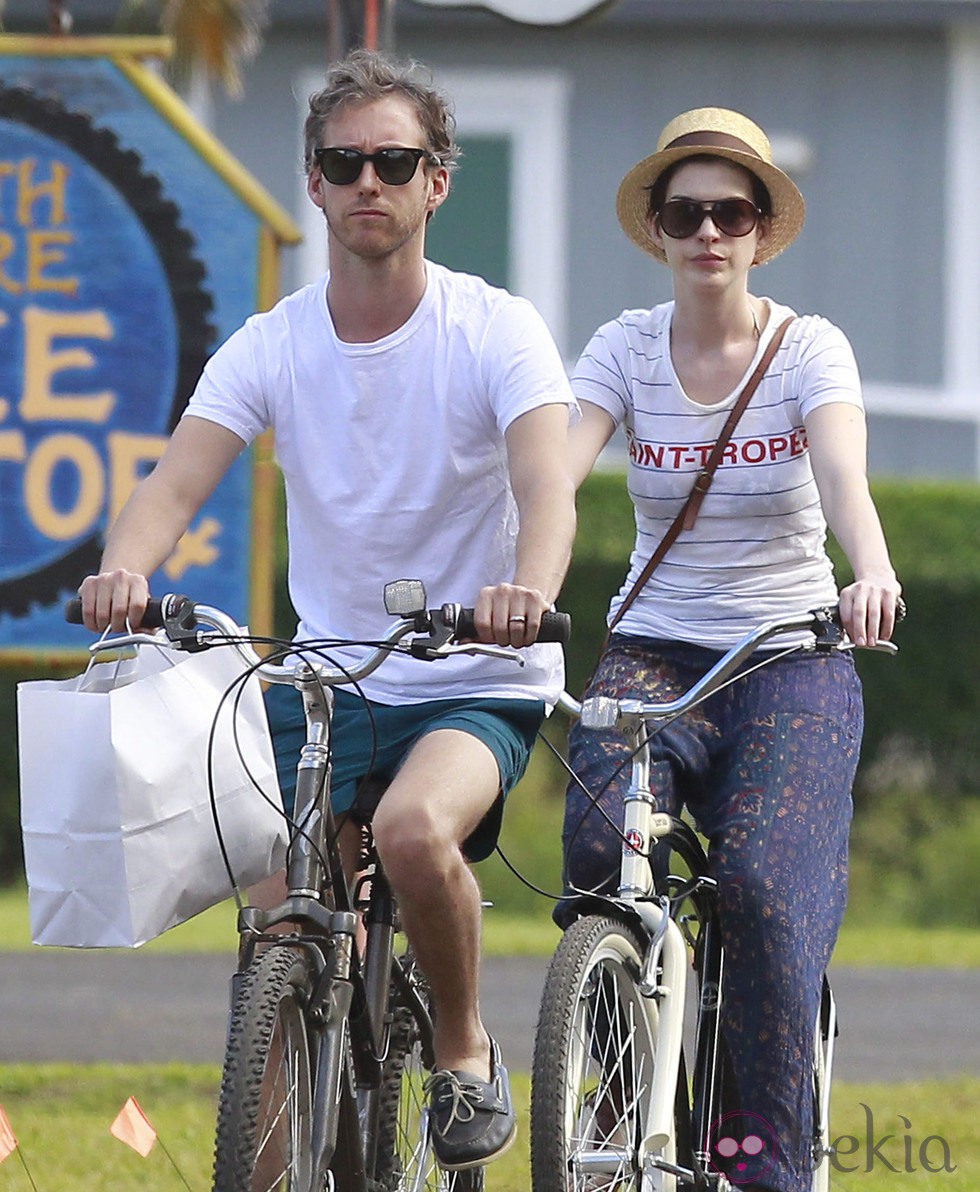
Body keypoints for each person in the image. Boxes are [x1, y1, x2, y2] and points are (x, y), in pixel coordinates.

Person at [78, 49, 577, 1172]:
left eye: (393, 161)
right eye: (343, 161)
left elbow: (548, 487)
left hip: (470, 675)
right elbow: (169, 487)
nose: (368, 181)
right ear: (312, 181)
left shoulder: (493, 329)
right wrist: (125, 574)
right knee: (277, 908)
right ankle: (277, 1141)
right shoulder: (272, 341)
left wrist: (526, 595)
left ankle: (460, 1050)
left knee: (408, 834)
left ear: (434, 181)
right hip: (333, 675)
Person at [559, 108, 902, 1192]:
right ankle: (611, 1105)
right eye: (684, 212)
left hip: (787, 654)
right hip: (652, 648)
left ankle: (758, 1163)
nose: (708, 231)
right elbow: (555, 475)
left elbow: (842, 476)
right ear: (656, 230)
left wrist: (872, 572)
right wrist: (514, 570)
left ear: (760, 232)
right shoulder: (620, 346)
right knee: (591, 847)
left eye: (731, 212)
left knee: (758, 887)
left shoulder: (808, 347)